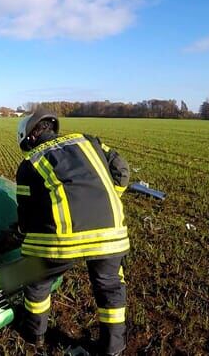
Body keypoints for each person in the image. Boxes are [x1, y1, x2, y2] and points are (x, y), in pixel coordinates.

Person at [15, 108, 130, 356]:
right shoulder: (89, 141)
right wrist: (111, 198)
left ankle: (34, 336)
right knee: (110, 287)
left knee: (37, 283)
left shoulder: (29, 164)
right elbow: (121, 170)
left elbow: (26, 214)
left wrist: (23, 236)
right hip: (110, 233)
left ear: (30, 138)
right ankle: (114, 348)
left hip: (62, 240)